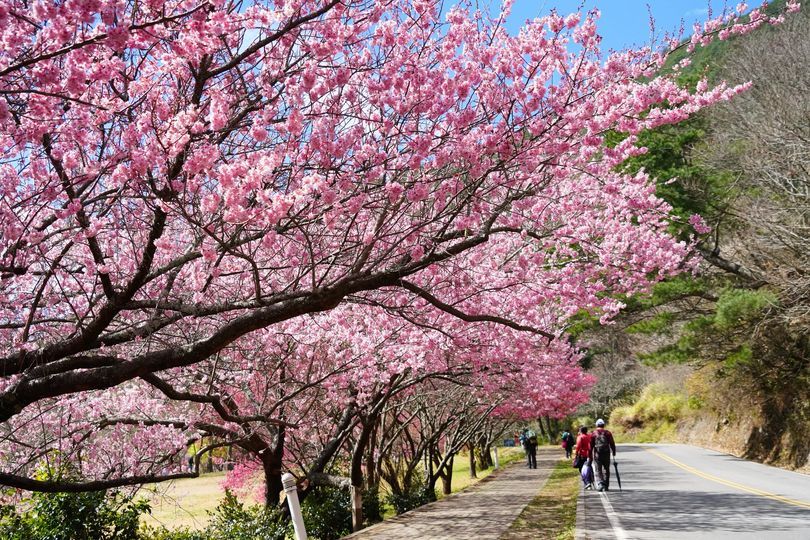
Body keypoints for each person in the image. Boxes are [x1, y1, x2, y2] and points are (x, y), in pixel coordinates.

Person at [589, 419, 616, 492]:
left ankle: (600, 484)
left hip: (597, 454)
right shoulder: (608, 433)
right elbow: (612, 443)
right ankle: (606, 486)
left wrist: (590, 456)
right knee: (606, 469)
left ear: (596, 425)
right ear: (603, 425)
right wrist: (614, 452)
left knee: (598, 469)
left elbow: (590, 446)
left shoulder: (594, 433)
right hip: (606, 454)